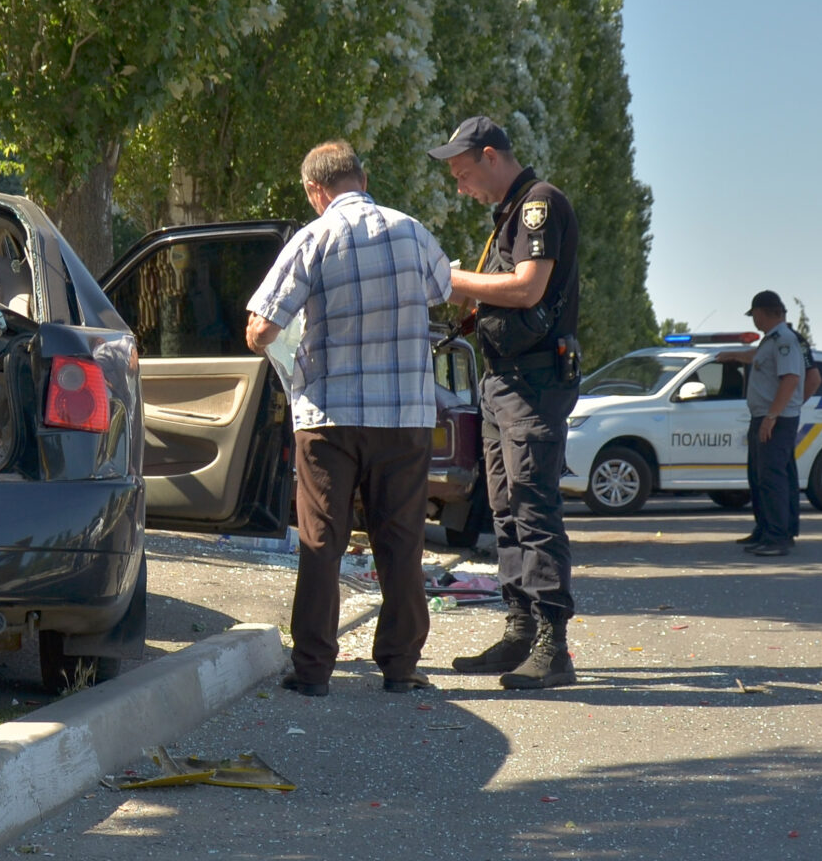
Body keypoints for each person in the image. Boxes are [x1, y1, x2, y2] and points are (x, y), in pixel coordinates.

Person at [243, 141, 451, 697]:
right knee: (402, 542)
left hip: (329, 418)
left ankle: (312, 671)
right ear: (362, 176)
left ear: (316, 191)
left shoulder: (313, 239)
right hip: (405, 415)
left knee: (322, 540)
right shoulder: (413, 231)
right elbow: (441, 290)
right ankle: (401, 668)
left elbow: (261, 329)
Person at [434, 116, 581, 689]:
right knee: (504, 508)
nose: (460, 186)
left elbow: (526, 287)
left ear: (491, 156)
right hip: (503, 382)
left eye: (463, 173)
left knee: (533, 505)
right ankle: (520, 630)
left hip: (534, 384)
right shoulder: (509, 215)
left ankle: (553, 645)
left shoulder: (539, 204)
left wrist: (457, 280)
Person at [740, 290, 809, 558]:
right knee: (762, 477)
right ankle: (768, 530)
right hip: (767, 417)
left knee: (772, 478)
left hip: (775, 420)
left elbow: (790, 379)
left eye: (754, 315)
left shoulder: (784, 340)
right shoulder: (770, 341)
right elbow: (758, 361)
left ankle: (777, 537)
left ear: (761, 312)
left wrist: (772, 416)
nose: (753, 321)